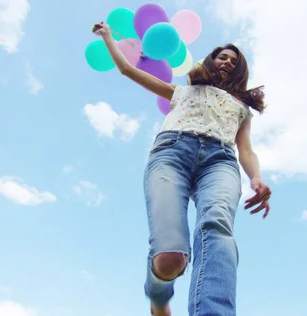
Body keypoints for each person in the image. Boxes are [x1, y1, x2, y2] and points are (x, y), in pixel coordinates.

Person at [93, 21, 272, 316]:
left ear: (239, 71)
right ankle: (158, 296)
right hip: (172, 152)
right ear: (211, 62)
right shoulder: (181, 92)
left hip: (220, 162)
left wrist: (257, 178)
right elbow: (127, 70)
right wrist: (108, 36)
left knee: (217, 224)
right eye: (222, 56)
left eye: (233, 60)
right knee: (170, 259)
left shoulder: (241, 108)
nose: (226, 61)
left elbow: (246, 150)